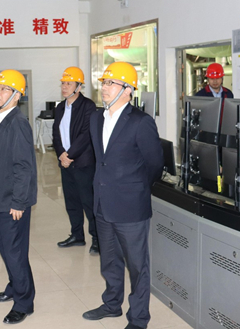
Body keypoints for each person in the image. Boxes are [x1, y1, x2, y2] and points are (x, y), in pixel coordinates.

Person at [85, 62, 164, 329]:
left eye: (111, 83)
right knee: (109, 261)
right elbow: (100, 159)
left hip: (131, 206)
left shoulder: (141, 122)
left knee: (138, 266)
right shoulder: (96, 118)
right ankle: (111, 304)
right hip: (102, 203)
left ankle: (139, 318)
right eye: (104, 83)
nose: (104, 88)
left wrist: (136, 188)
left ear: (128, 89)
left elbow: (155, 164)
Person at [0, 69, 37, 325]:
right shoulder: (0, 117)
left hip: (11, 201)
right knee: (7, 250)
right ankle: (14, 287)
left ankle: (24, 303)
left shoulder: (18, 122)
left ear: (17, 96)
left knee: (15, 252)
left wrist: (18, 202)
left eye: (4, 89)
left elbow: (24, 167)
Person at [52, 66, 99, 254]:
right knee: (71, 202)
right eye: (63, 83)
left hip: (83, 163)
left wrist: (69, 155)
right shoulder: (60, 107)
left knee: (89, 202)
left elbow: (85, 135)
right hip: (66, 163)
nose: (64, 87)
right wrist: (61, 154)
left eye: (69, 84)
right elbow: (56, 134)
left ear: (79, 87)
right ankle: (77, 235)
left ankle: (97, 239)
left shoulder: (88, 106)